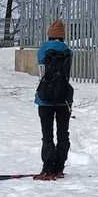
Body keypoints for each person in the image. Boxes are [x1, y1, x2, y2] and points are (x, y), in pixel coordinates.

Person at [34, 20, 73, 180]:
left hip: (45, 99)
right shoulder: (68, 51)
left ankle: (48, 168)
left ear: (49, 34)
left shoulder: (43, 50)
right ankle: (59, 167)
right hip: (64, 98)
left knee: (47, 134)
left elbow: (41, 73)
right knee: (63, 134)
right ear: (63, 36)